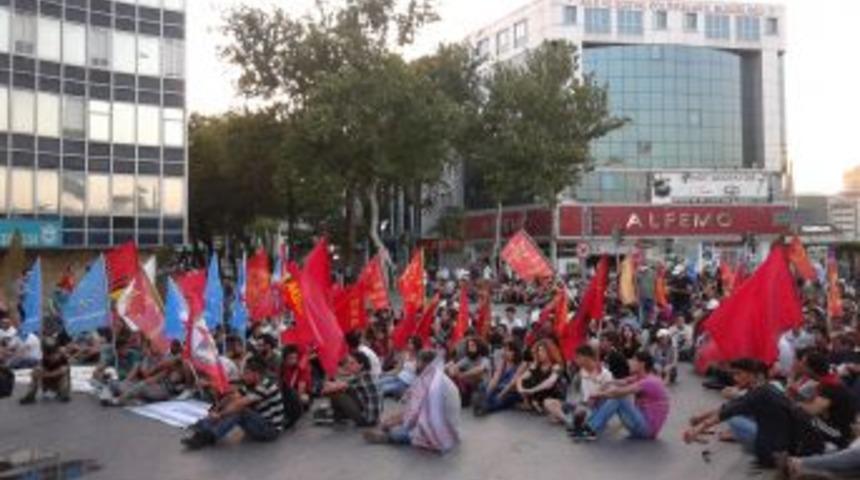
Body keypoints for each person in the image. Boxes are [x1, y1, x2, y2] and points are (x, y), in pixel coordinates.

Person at [684, 358, 825, 467]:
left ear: (752, 375)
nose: (735, 378)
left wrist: (697, 429)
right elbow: (729, 406)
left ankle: (775, 457)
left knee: (735, 419)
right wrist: (700, 419)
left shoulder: (759, 394)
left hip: (776, 451)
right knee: (740, 413)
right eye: (733, 374)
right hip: (795, 443)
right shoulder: (768, 388)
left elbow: (727, 412)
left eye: (738, 374)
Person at [363, 350, 461, 453]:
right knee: (398, 424)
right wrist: (393, 419)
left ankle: (388, 437)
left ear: (425, 364)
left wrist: (389, 423)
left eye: (417, 362)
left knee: (398, 432)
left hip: (441, 432)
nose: (415, 365)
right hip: (450, 428)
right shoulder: (437, 377)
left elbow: (413, 415)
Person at [181, 358, 285, 450]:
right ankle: (205, 427)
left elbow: (240, 404)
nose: (244, 376)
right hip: (259, 421)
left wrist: (220, 415)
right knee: (232, 404)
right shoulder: (251, 384)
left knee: (240, 410)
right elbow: (231, 397)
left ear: (256, 374)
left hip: (270, 429)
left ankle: (209, 436)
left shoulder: (266, 386)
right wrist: (216, 409)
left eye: (247, 373)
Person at [573, 351, 669, 441]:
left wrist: (597, 394)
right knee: (608, 395)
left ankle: (591, 429)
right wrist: (605, 384)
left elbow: (620, 392)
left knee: (619, 398)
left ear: (642, 364)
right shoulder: (640, 377)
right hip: (641, 424)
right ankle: (588, 425)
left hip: (647, 430)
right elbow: (620, 382)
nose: (629, 362)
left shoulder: (650, 382)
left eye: (633, 360)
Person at [545, 344, 613, 429]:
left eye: (577, 357)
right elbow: (573, 395)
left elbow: (607, 396)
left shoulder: (605, 373)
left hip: (593, 407)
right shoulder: (581, 371)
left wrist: (594, 399)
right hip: (579, 404)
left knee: (579, 412)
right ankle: (567, 419)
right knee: (548, 402)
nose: (575, 360)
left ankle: (566, 418)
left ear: (585, 358)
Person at [316, 351, 382, 427]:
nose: (348, 366)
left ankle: (337, 416)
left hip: (367, 420)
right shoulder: (365, 374)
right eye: (348, 363)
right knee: (346, 390)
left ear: (361, 365)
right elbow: (343, 383)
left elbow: (326, 390)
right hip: (374, 418)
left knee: (338, 394)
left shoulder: (361, 378)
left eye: (352, 363)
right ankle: (339, 415)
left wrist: (327, 385)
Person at [473, 340, 525, 416]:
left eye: (509, 351)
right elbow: (495, 378)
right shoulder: (503, 362)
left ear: (515, 352)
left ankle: (485, 407)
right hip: (499, 387)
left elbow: (513, 383)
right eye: (505, 350)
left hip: (511, 391)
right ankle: (483, 403)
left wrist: (501, 394)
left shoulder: (521, 364)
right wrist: (488, 393)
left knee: (500, 400)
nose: (506, 353)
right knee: (485, 388)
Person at [516, 340, 565, 414]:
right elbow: (522, 378)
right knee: (527, 381)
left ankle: (540, 404)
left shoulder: (556, 366)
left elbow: (550, 382)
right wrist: (520, 389)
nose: (540, 353)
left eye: (542, 351)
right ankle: (529, 403)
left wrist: (532, 390)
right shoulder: (536, 364)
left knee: (546, 385)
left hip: (552, 393)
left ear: (549, 352)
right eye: (538, 351)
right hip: (538, 391)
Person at [19, 339, 70, 404]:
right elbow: (39, 367)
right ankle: (30, 396)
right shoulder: (44, 356)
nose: (51, 356)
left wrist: (45, 374)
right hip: (48, 384)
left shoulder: (62, 355)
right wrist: (38, 372)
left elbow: (63, 371)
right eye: (48, 353)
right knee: (35, 371)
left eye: (53, 353)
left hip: (59, 384)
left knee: (64, 375)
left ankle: (64, 394)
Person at [445, 337, 491, 407]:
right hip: (471, 385)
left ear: (479, 347)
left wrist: (462, 375)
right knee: (452, 370)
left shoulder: (484, 359)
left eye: (472, 345)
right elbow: (455, 367)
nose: (470, 348)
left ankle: (480, 401)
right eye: (469, 346)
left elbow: (479, 369)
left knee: (479, 376)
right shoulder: (467, 359)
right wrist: (453, 371)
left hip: (483, 386)